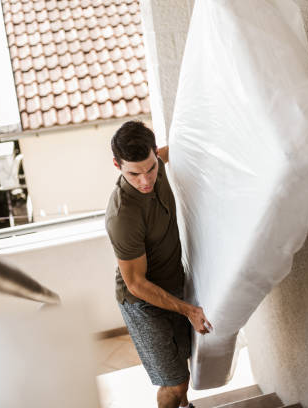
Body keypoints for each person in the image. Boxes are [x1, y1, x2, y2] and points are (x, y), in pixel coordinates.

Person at [105, 121, 212, 408]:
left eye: (150, 168)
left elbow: (174, 150)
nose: (145, 180)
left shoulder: (156, 163)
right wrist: (189, 309)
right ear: (117, 165)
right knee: (173, 381)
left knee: (181, 369)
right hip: (142, 301)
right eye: (133, 173)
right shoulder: (122, 216)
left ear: (154, 153)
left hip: (173, 283)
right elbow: (136, 283)